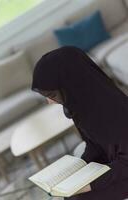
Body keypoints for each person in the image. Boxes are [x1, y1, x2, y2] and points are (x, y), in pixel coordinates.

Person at [31, 46, 128, 200]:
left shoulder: (114, 110)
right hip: (116, 165)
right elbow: (94, 145)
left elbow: (125, 163)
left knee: (79, 197)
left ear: (70, 84)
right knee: (71, 194)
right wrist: (80, 166)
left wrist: (90, 184)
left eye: (51, 94)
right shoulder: (81, 107)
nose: (49, 102)